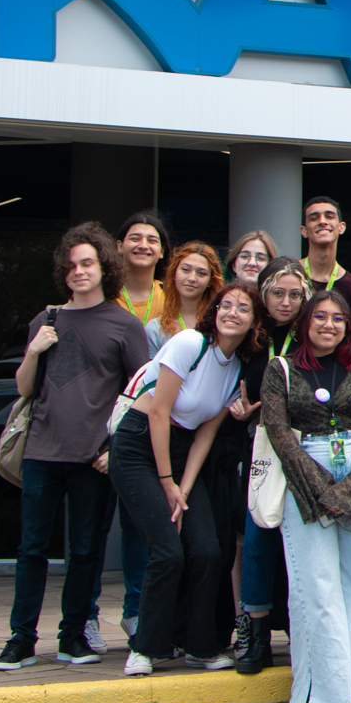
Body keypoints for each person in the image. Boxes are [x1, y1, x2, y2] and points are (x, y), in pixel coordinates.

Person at [0, 224, 151, 671]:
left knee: (85, 551)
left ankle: (73, 636)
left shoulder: (123, 324)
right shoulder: (45, 320)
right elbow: (25, 388)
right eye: (72, 265)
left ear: (104, 267)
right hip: (42, 451)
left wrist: (114, 447)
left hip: (92, 457)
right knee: (31, 551)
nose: (79, 272)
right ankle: (20, 640)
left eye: (88, 263)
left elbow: (141, 392)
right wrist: (34, 350)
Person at [112, 283, 262, 675]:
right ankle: (144, 648)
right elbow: (159, 413)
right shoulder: (189, 343)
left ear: (253, 322)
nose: (232, 312)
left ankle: (202, 647)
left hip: (182, 456)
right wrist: (166, 482)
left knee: (209, 552)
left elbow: (205, 435)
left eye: (243, 308)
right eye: (225, 305)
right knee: (168, 551)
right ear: (214, 312)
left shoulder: (237, 371)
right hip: (140, 445)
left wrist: (185, 488)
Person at [260, 289, 351, 703]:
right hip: (304, 476)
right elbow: (278, 431)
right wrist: (319, 487)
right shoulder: (281, 369)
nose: (328, 325)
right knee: (316, 586)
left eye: (337, 318)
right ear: (305, 322)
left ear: (348, 325)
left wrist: (349, 487)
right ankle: (326, 695)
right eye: (320, 317)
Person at [232, 257, 313, 674]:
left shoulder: (313, 333)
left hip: (307, 447)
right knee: (259, 538)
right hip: (260, 447)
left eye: (295, 294)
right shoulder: (251, 335)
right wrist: (237, 405)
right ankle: (255, 634)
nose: (286, 301)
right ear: (263, 295)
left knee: (302, 543)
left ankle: (302, 633)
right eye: (277, 293)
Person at [149, 242, 224, 351]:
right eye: (185, 270)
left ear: (210, 281)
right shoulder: (156, 328)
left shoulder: (220, 323)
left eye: (201, 273)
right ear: (174, 273)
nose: (192, 278)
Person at [299, 197, 351, 308]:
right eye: (314, 218)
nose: (322, 221)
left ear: (341, 227)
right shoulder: (290, 274)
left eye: (329, 217)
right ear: (304, 231)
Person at [113, 211, 169, 323]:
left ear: (162, 251)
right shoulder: (102, 294)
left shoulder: (172, 296)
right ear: (119, 246)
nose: (143, 246)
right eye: (135, 239)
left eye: (152, 241)